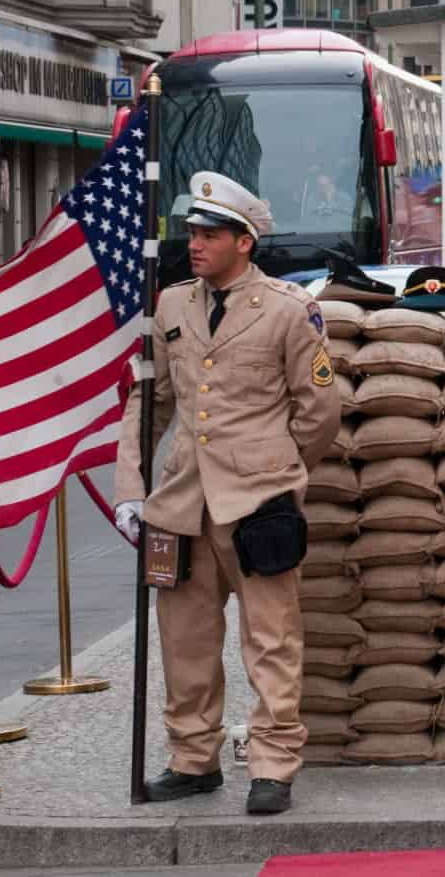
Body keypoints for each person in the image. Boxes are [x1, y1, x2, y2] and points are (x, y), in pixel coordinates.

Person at [112, 172, 341, 815]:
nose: (196, 244)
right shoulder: (172, 306)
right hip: (183, 501)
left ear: (245, 242)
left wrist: (282, 466)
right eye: (192, 233)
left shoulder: (289, 311)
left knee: (271, 640)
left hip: (257, 502)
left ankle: (272, 764)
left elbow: (320, 407)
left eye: (210, 234)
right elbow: (148, 401)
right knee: (185, 641)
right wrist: (131, 487)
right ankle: (193, 759)